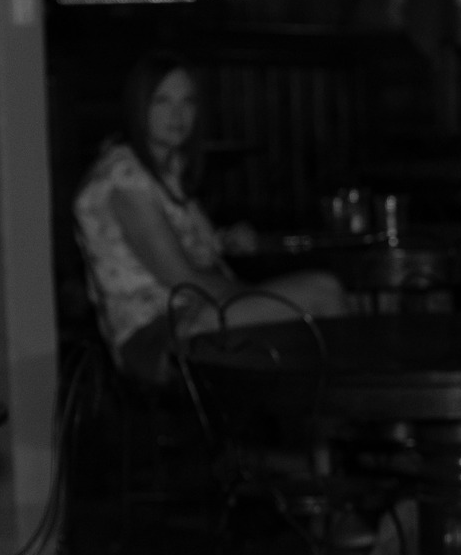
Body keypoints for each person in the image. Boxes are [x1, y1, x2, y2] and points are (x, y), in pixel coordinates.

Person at [71, 57, 344, 384]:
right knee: (323, 292)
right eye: (162, 101)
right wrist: (261, 297)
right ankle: (344, 407)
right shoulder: (124, 177)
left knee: (317, 314)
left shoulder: (167, 169)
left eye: (187, 102)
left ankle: (319, 409)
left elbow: (188, 246)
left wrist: (223, 240)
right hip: (156, 335)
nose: (178, 114)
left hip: (195, 316)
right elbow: (179, 276)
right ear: (138, 107)